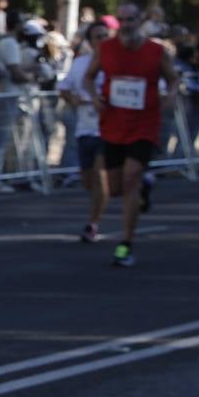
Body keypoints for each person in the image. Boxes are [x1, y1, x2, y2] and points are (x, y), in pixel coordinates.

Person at [83, 2, 179, 268]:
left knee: (130, 179)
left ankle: (125, 244)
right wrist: (94, 98)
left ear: (140, 21)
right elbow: (89, 78)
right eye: (122, 20)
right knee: (113, 188)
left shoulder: (156, 51)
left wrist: (169, 95)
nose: (126, 25)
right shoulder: (106, 49)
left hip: (144, 124)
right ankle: (145, 186)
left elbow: (173, 79)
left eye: (131, 20)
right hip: (113, 124)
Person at [59, 20, 112, 241]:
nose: (101, 41)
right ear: (89, 41)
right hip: (85, 128)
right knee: (89, 181)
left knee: (100, 177)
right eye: (97, 37)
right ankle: (135, 187)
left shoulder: (118, 63)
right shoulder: (80, 63)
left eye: (105, 36)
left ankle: (93, 223)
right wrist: (74, 99)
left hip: (109, 129)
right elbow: (63, 89)